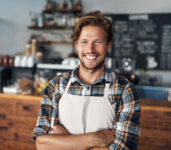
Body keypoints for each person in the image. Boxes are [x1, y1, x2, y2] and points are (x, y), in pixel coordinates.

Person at [32, 10, 140, 150]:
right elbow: (41, 144)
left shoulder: (124, 90)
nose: (90, 49)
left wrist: (65, 139)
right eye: (84, 42)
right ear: (76, 44)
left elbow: (124, 148)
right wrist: (96, 139)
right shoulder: (56, 85)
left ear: (108, 45)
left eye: (98, 42)